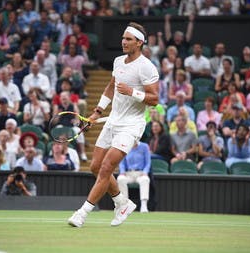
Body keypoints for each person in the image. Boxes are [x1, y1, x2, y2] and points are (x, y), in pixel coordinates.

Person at [68, 22, 159, 227]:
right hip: (112, 121)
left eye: (128, 39)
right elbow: (110, 88)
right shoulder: (118, 61)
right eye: (123, 38)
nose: (123, 42)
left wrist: (132, 92)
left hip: (132, 126)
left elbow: (155, 99)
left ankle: (82, 213)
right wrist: (97, 111)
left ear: (139, 43)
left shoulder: (147, 67)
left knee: (106, 168)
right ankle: (122, 203)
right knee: (95, 166)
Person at [117, 141, 151, 213]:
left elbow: (148, 162)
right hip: (128, 173)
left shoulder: (144, 146)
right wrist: (122, 171)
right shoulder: (125, 146)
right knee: (120, 179)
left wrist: (145, 172)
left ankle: (144, 205)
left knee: (145, 179)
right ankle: (125, 205)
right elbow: (121, 162)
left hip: (140, 173)